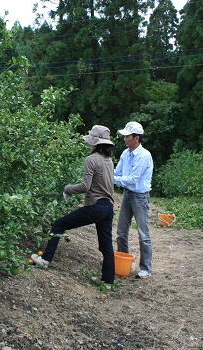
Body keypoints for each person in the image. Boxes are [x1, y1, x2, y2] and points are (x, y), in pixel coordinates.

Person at [31, 125, 116, 288]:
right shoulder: (108, 161)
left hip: (96, 206)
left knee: (58, 224)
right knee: (106, 246)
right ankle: (108, 282)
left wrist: (67, 188)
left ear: (95, 143)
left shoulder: (91, 159)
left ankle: (45, 260)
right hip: (108, 208)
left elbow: (85, 186)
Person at [113, 121, 154, 279]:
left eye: (127, 136)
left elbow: (132, 179)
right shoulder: (125, 153)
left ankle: (146, 268)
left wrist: (111, 179)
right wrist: (112, 177)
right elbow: (117, 172)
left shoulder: (143, 156)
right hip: (127, 195)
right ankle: (124, 263)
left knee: (143, 233)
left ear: (136, 138)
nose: (125, 139)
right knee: (121, 232)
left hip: (140, 197)